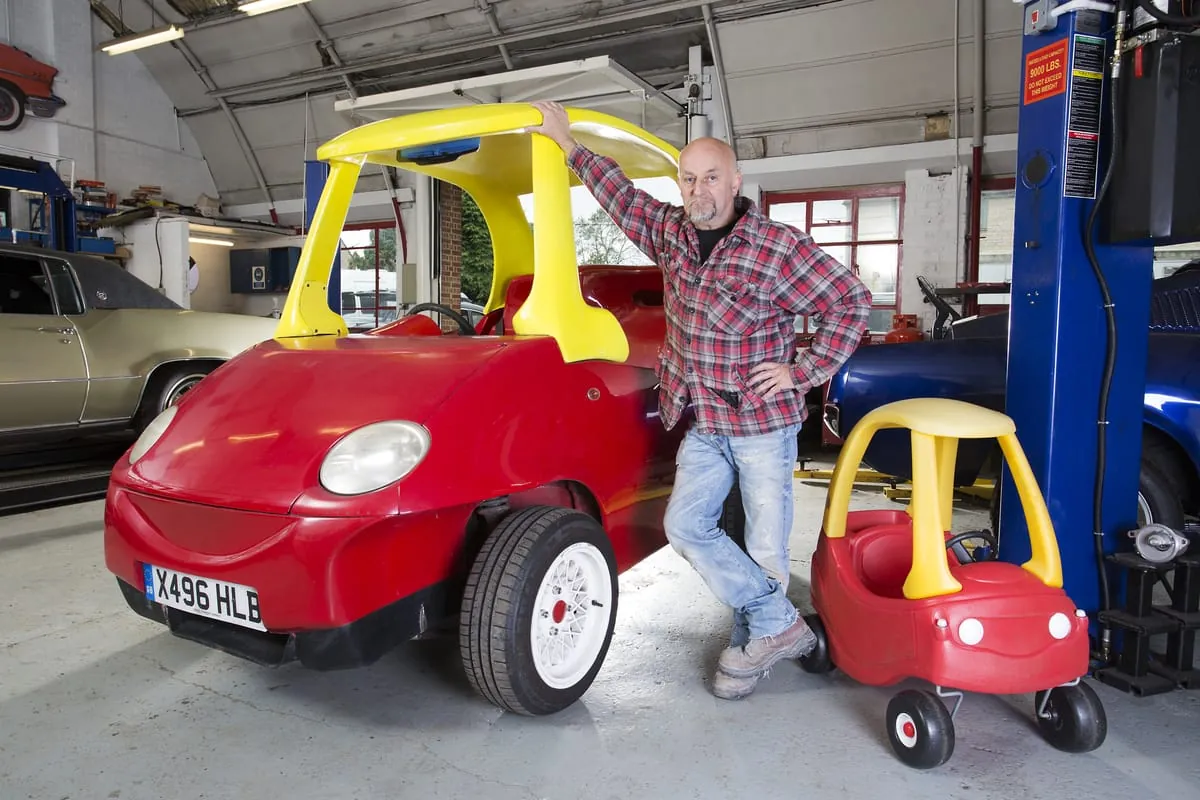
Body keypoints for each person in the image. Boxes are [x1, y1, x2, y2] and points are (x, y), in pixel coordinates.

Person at [527, 101, 873, 700]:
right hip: (706, 420)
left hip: (762, 425)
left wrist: (801, 370)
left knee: (763, 550)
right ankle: (780, 624)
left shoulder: (775, 247)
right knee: (684, 526)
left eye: (711, 177)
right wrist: (568, 143)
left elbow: (850, 301)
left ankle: (749, 652)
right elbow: (622, 198)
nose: (698, 190)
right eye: (688, 179)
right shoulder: (672, 234)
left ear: (735, 182)